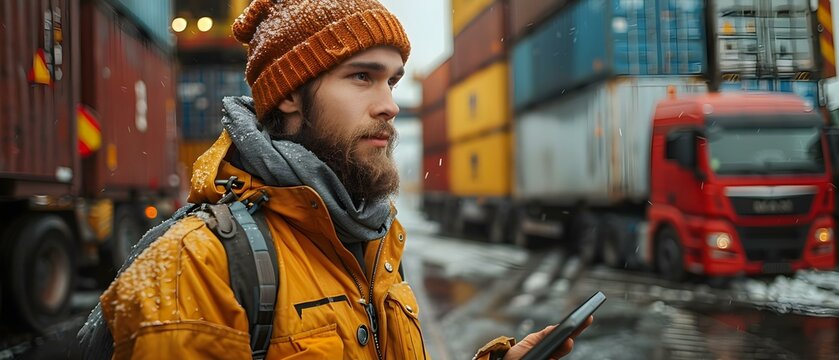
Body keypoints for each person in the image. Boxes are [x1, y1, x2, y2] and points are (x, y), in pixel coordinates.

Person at [98, 0, 592, 359]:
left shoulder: (370, 240)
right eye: (362, 77)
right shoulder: (196, 268)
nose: (391, 105)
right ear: (290, 94)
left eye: (393, 80)